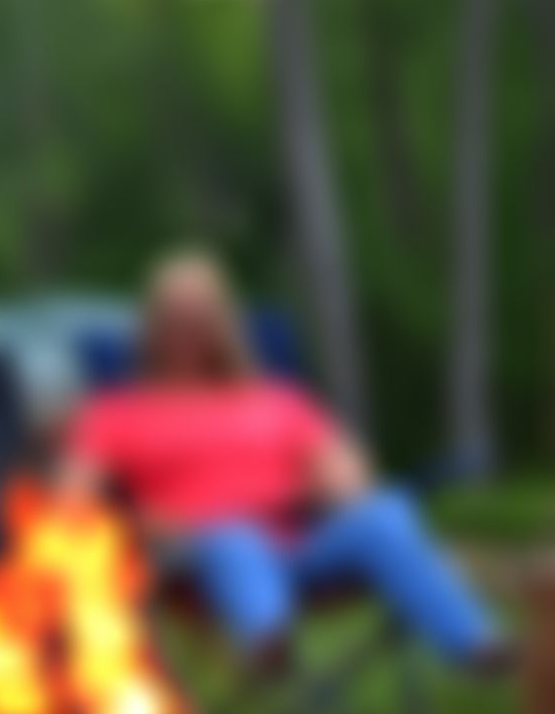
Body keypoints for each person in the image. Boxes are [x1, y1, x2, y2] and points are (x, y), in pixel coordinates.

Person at [60, 249, 506, 669]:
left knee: (385, 514)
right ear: (151, 328)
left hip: (302, 546)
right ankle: (269, 643)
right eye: (175, 320)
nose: (187, 332)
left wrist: (335, 483)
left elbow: (346, 476)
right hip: (193, 561)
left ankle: (476, 645)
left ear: (224, 326)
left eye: (200, 319)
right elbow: (71, 499)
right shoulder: (114, 412)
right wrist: (133, 519)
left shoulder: (281, 400)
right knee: (233, 536)